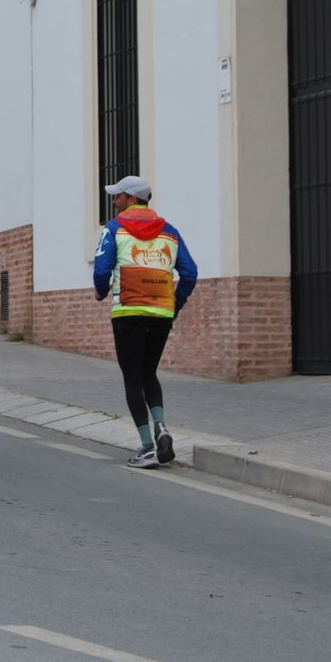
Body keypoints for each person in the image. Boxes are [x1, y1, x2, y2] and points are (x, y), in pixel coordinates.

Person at [92, 174, 199, 469]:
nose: (115, 202)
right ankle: (162, 427)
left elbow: (102, 268)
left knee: (132, 376)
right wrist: (174, 305)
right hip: (161, 313)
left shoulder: (114, 228)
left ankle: (147, 447)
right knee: (149, 372)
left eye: (119, 196)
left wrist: (101, 292)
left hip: (128, 311)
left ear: (131, 199)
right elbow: (190, 273)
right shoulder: (170, 231)